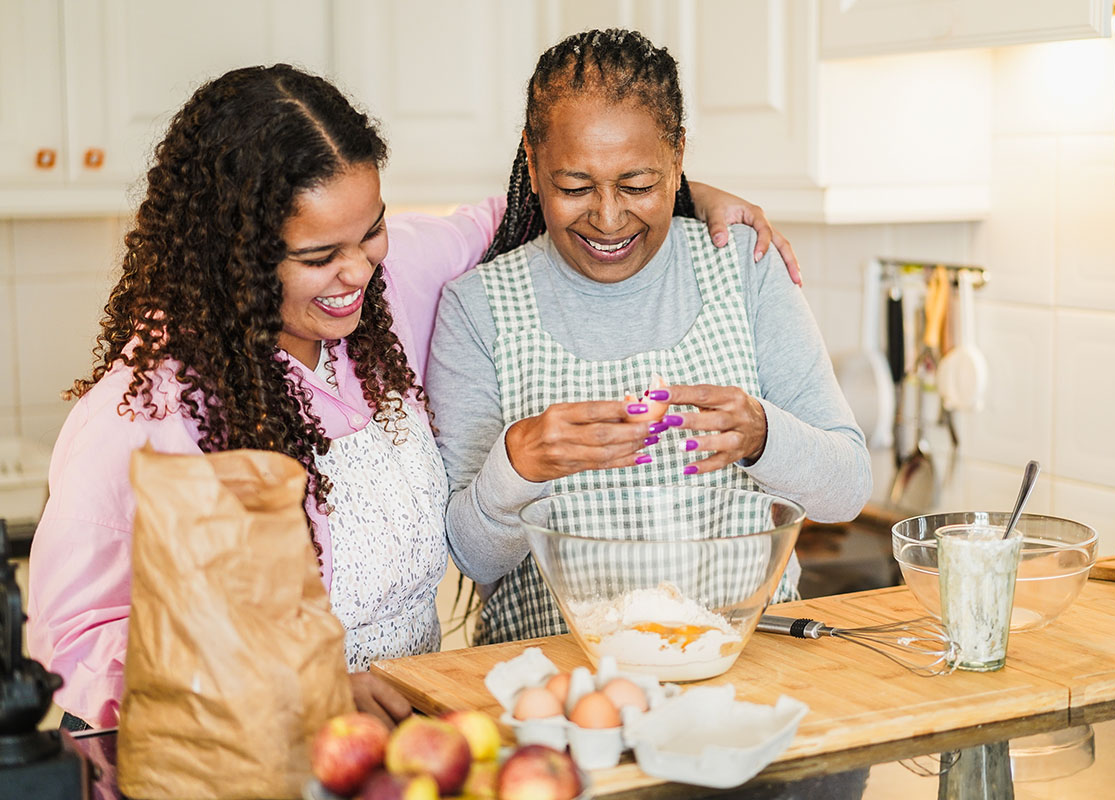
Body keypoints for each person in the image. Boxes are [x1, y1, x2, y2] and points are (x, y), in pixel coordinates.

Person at [26, 63, 800, 730]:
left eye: (371, 232)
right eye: (317, 254)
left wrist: (676, 189)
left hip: (403, 743)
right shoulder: (140, 411)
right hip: (247, 761)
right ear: (228, 255)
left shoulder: (394, 288)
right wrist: (290, 689)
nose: (359, 272)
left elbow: (537, 206)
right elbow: (79, 642)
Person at [427, 29, 872, 646]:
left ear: (679, 158)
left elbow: (848, 487)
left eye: (637, 185)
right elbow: (474, 558)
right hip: (564, 691)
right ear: (531, 163)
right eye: (574, 187)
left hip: (748, 671)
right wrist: (519, 466)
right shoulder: (479, 308)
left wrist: (763, 434)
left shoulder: (744, 266)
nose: (608, 219)